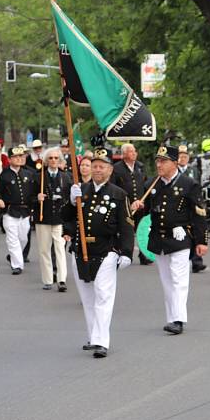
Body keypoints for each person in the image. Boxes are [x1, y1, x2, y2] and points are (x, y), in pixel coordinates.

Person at [63, 146, 133, 358]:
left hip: (106, 251)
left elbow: (126, 225)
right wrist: (70, 200)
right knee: (88, 296)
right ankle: (94, 335)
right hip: (81, 249)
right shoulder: (81, 190)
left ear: (110, 170)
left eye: (102, 167)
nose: (97, 170)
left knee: (103, 295)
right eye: (94, 166)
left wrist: (127, 252)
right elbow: (65, 216)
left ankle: (102, 341)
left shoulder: (118, 194)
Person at [131, 145, 209, 335]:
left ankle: (179, 319)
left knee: (179, 279)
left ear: (174, 163)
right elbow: (145, 210)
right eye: (158, 161)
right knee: (166, 280)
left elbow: (199, 214)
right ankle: (171, 318)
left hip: (181, 237)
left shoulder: (189, 184)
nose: (159, 164)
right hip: (159, 238)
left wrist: (201, 241)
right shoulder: (152, 184)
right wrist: (138, 206)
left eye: (163, 161)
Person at [34, 147, 72, 291]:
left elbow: (70, 198)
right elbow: (29, 197)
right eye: (50, 158)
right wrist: (37, 198)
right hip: (43, 217)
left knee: (60, 249)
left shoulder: (66, 177)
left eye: (56, 158)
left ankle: (61, 279)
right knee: (44, 249)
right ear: (46, 161)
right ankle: (48, 279)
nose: (53, 160)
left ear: (60, 160)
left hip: (60, 218)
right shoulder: (39, 176)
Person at [0, 146, 37, 275]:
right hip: (10, 212)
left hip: (25, 212)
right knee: (12, 239)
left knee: (23, 238)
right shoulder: (4, 175)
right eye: (16, 157)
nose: (19, 159)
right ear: (10, 159)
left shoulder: (28, 174)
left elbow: (34, 192)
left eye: (21, 156)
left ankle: (13, 256)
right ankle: (17, 265)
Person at [112, 143, 151, 264]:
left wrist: (144, 201)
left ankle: (144, 255)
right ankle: (125, 254)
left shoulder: (140, 166)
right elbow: (113, 187)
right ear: (124, 154)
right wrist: (125, 203)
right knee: (126, 231)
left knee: (143, 230)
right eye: (131, 151)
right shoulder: (116, 168)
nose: (134, 153)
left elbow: (145, 185)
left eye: (135, 151)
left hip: (140, 205)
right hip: (125, 206)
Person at [177, 145, 207, 273]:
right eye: (181, 157)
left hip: (193, 203)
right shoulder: (174, 171)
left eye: (185, 157)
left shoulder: (193, 170)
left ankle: (197, 261)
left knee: (196, 231)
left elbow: (198, 185)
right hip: (179, 205)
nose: (183, 159)